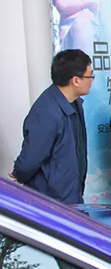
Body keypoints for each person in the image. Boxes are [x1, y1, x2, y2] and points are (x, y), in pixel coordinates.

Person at [11, 50, 91, 204]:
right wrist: (19, 172)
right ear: (76, 80)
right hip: (52, 200)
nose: (92, 81)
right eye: (90, 76)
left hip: (70, 195)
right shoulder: (46, 112)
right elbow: (31, 158)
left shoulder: (74, 103)